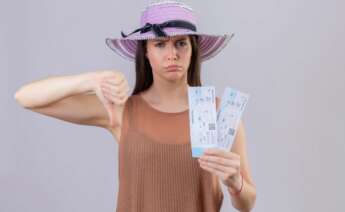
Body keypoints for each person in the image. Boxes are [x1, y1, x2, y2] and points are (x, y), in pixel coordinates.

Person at [14, 1, 256, 211]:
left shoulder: (220, 113)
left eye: (181, 43)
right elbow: (25, 97)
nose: (172, 54)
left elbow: (248, 203)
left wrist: (236, 183)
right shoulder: (121, 110)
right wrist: (89, 80)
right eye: (160, 44)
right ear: (146, 53)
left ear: (193, 50)